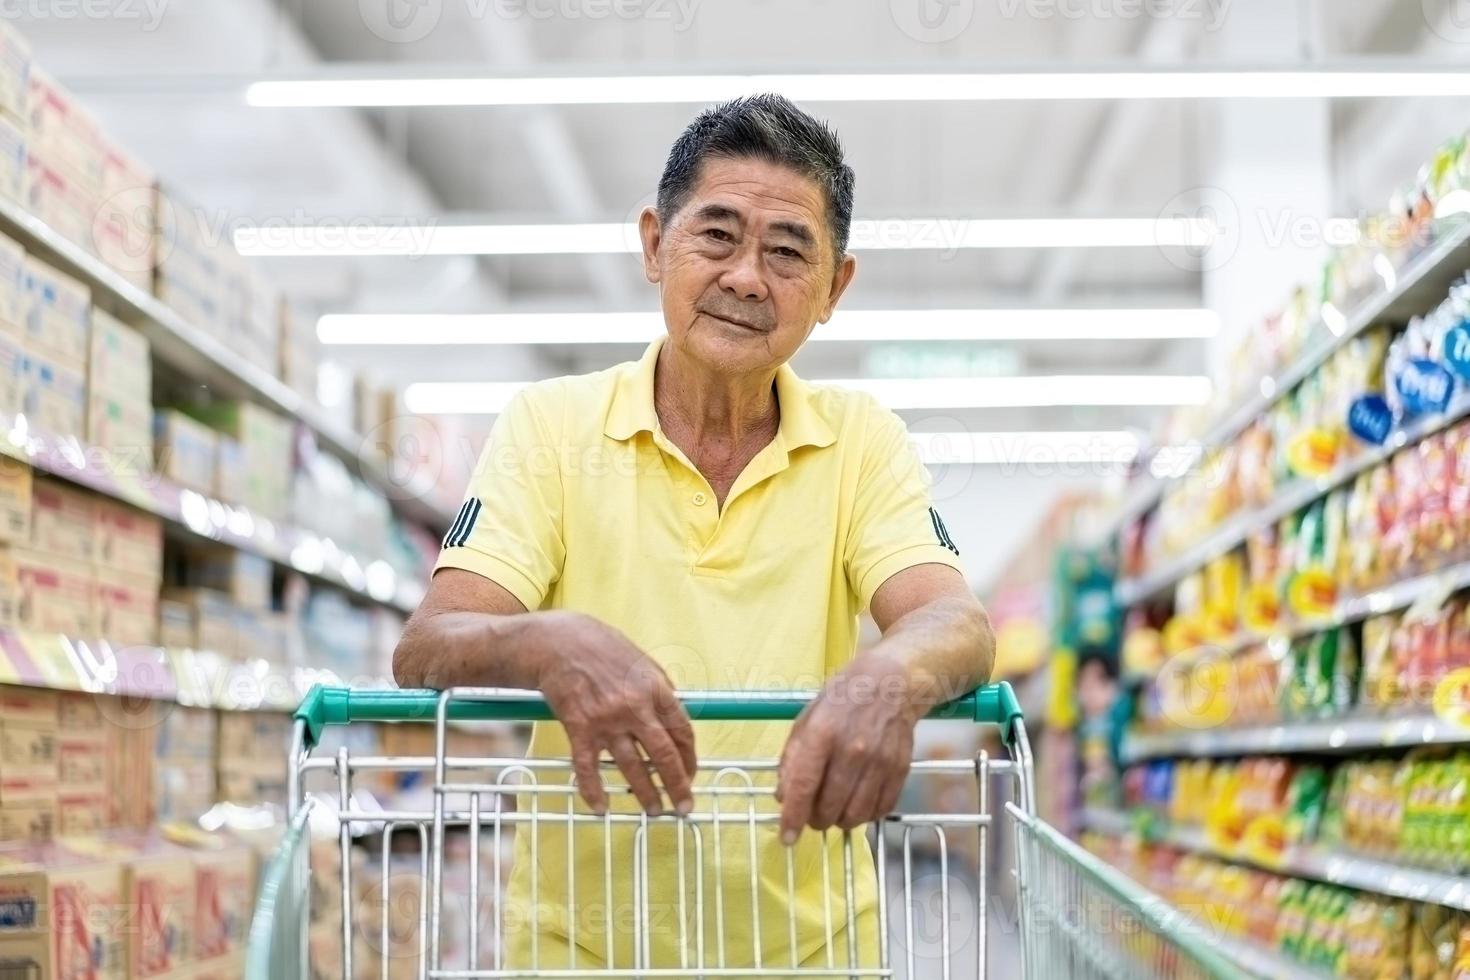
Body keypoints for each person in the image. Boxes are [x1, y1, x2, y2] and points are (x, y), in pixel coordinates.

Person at [393, 93, 994, 972]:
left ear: (834, 288)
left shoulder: (864, 440)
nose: (748, 277)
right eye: (717, 235)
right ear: (653, 244)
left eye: (788, 252)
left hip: (811, 953)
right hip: (585, 953)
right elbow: (429, 645)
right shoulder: (551, 427)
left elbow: (957, 622)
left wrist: (889, 679)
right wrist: (544, 643)